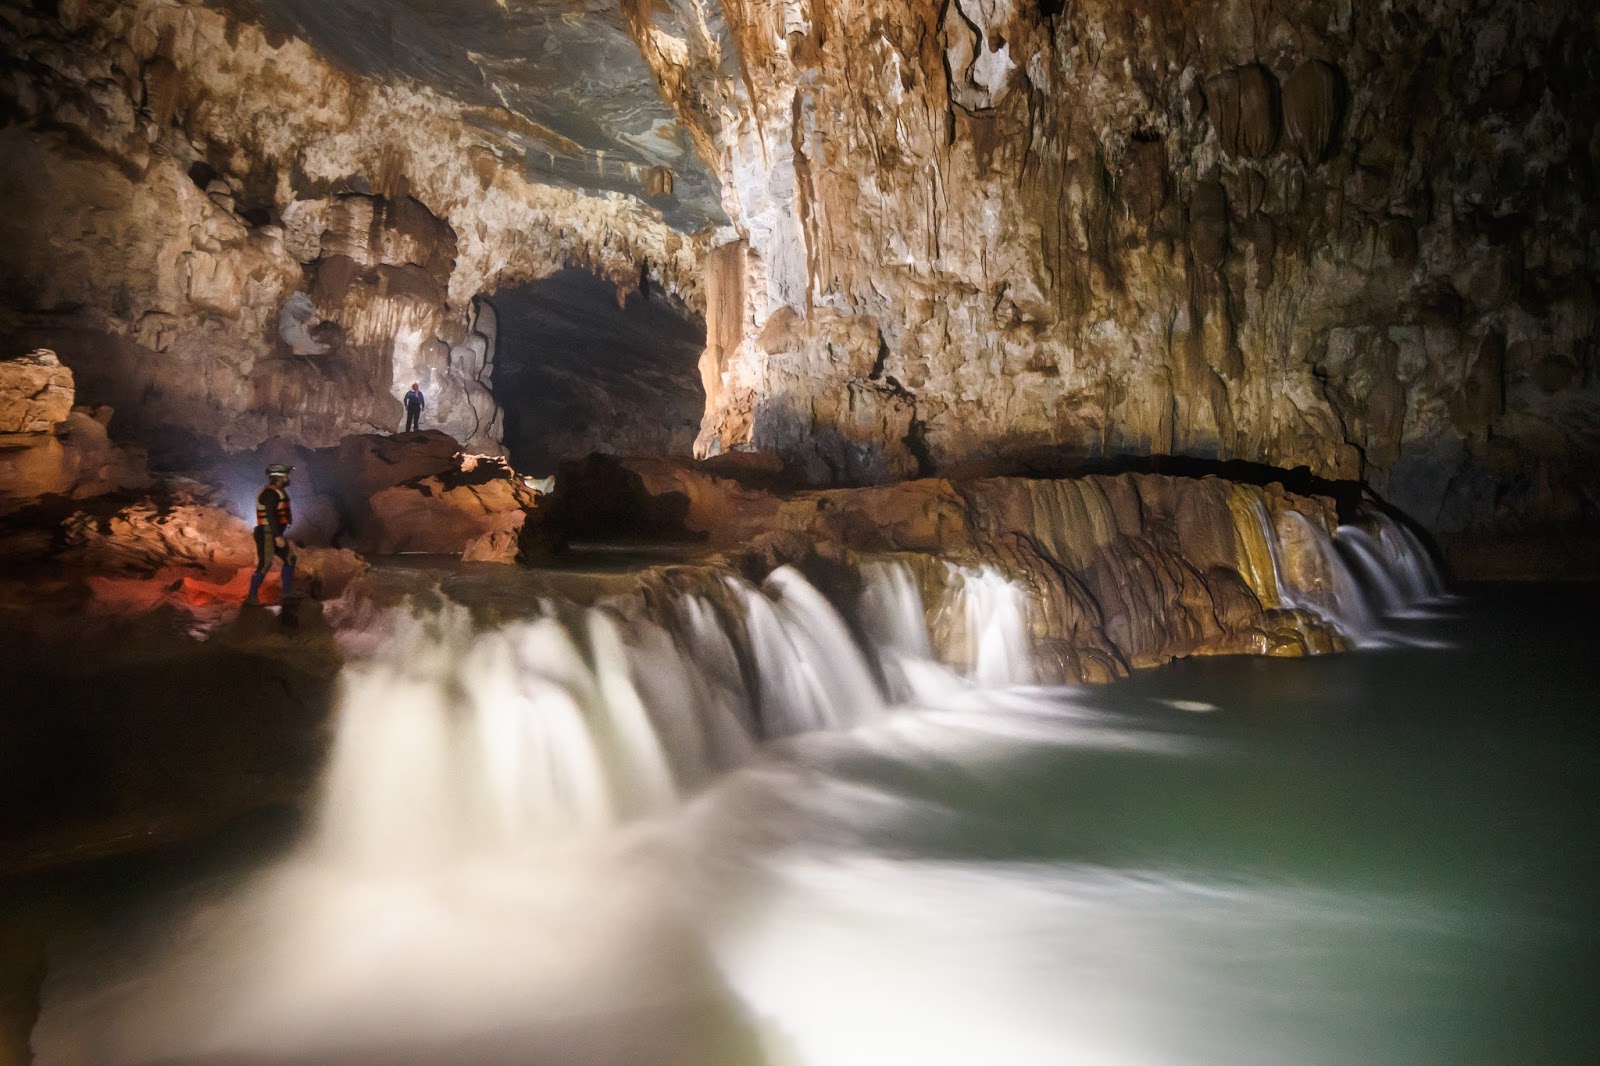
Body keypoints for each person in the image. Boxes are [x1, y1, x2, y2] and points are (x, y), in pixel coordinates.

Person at [245, 463, 296, 606]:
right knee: (265, 564)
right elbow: (271, 515)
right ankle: (252, 597)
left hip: (273, 532)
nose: (288, 478)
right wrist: (277, 536)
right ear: (279, 478)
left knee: (290, 558)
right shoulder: (270, 494)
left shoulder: (276, 492)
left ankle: (286, 593)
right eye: (286, 475)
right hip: (268, 533)